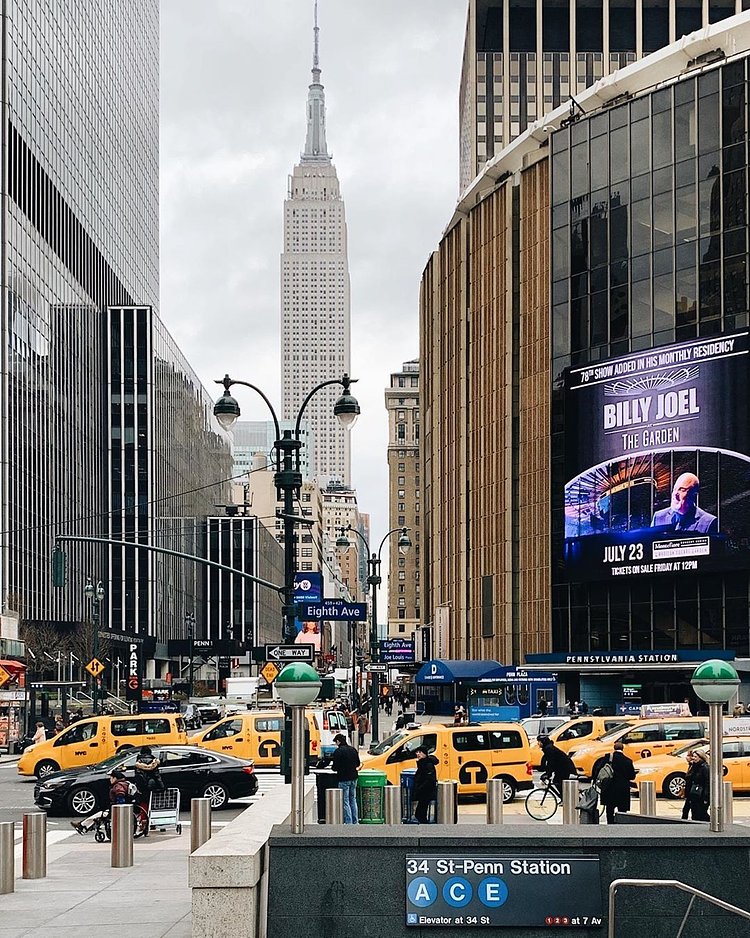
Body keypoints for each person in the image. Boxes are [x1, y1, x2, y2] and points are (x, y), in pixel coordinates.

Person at [651, 473, 718, 534]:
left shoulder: (708, 522)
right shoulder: (658, 517)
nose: (675, 494)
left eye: (682, 490)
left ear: (693, 495)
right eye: (675, 489)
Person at [597, 740, 637, 824]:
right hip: (622, 789)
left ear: (614, 748)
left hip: (609, 788)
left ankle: (610, 825)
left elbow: (599, 770)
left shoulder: (608, 757)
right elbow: (632, 776)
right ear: (623, 748)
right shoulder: (628, 761)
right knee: (622, 811)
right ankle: (620, 826)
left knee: (609, 810)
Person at [331, 733, 360, 824]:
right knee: (353, 799)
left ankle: (348, 821)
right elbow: (358, 764)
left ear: (338, 741)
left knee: (345, 800)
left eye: (336, 742)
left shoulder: (338, 752)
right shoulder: (353, 750)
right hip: (354, 777)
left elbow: (335, 767)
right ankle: (355, 820)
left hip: (343, 778)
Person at [412, 746, 438, 823]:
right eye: (417, 752)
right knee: (420, 813)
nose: (418, 754)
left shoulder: (427, 764)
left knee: (420, 814)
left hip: (425, 792)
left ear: (425, 754)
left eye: (420, 752)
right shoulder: (422, 763)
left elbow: (430, 779)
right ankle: (424, 826)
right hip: (423, 792)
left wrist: (420, 788)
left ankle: (425, 829)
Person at [682, 749, 710, 821]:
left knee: (701, 814)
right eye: (693, 756)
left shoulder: (704, 767)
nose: (693, 758)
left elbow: (707, 783)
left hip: (701, 794)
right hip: (693, 793)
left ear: (701, 757)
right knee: (693, 813)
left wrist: (706, 797)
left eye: (695, 757)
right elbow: (689, 779)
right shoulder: (694, 766)